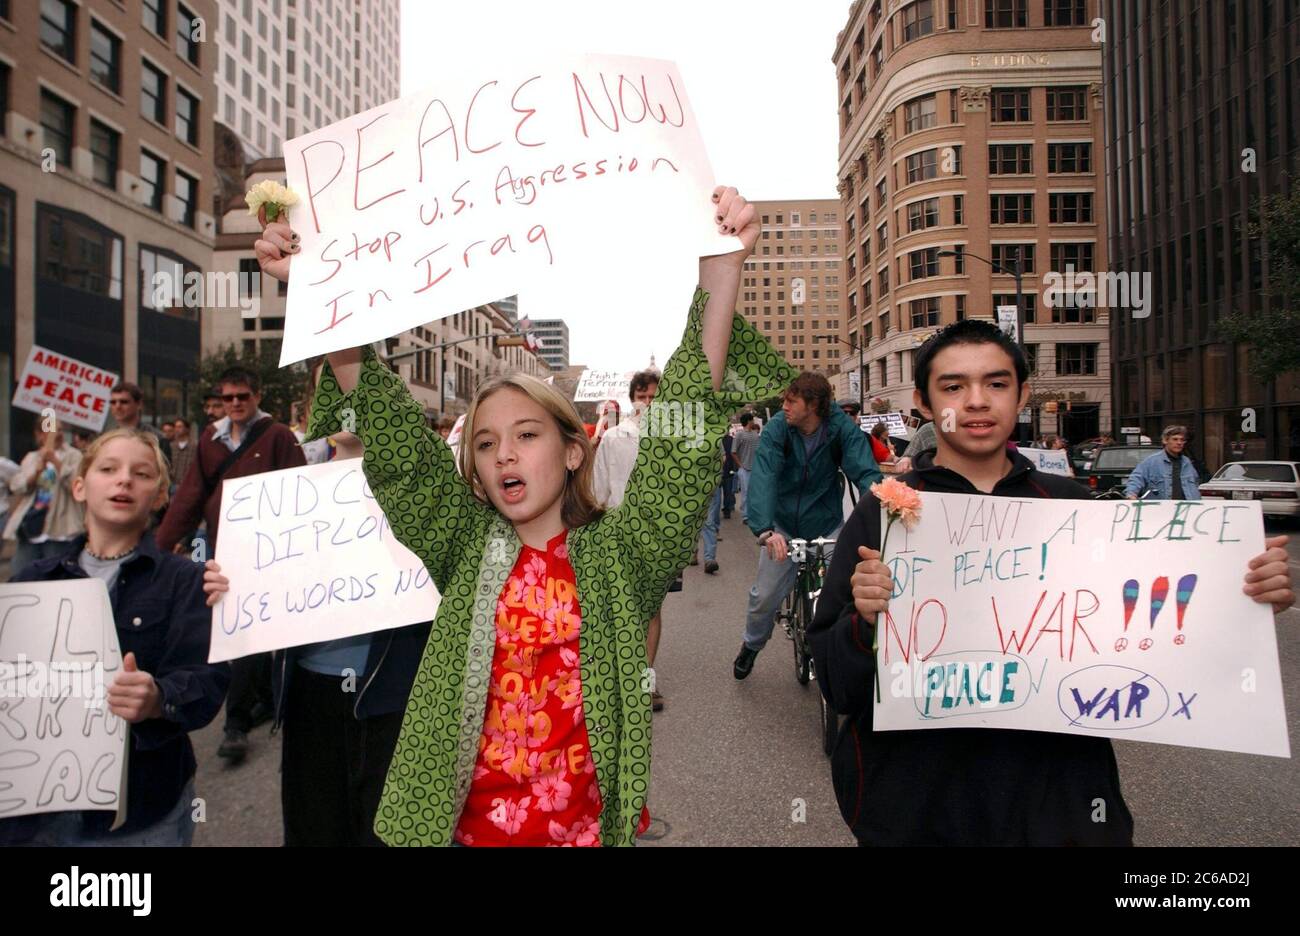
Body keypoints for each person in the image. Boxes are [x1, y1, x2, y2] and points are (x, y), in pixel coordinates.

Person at [254, 185, 781, 845]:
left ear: (570, 450)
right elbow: (393, 436)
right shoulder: (462, 545)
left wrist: (722, 267)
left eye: (526, 435)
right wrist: (316, 286)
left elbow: (682, 435)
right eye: (484, 441)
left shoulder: (624, 555)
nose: (503, 452)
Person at [809, 319, 1295, 846]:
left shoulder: (1073, 505)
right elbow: (837, 683)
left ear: (1021, 395)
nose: (976, 401)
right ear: (924, 404)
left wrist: (1240, 597)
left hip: (1059, 800)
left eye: (996, 384)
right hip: (919, 804)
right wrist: (865, 619)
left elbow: (1150, 632)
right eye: (953, 386)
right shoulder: (882, 514)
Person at [1, 429, 230, 846]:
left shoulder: (185, 582)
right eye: (108, 469)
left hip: (139, 812)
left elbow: (207, 685)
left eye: (141, 474)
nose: (124, 480)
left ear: (160, 497)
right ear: (79, 486)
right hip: (30, 814)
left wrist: (158, 698)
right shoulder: (31, 581)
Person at [155, 367, 306, 765]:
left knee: (260, 633)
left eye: (243, 395)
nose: (235, 403)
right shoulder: (211, 439)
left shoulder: (279, 437)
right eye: (228, 397)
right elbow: (191, 494)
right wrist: (160, 545)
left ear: (257, 395)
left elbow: (299, 493)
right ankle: (239, 721)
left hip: (271, 553)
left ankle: (256, 708)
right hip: (225, 551)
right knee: (240, 633)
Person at [733, 373, 881, 679]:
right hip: (782, 525)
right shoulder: (777, 430)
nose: (784, 406)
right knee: (765, 597)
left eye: (791, 401)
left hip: (826, 522)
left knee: (840, 594)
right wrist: (765, 530)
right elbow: (764, 475)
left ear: (813, 405)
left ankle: (837, 653)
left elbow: (864, 470)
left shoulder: (841, 427)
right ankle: (752, 643)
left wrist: (883, 504)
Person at [592, 369, 668, 711]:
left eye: (654, 398)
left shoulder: (670, 438)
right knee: (619, 609)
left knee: (651, 609)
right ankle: (618, 679)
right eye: (642, 397)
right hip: (617, 535)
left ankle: (646, 682)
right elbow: (599, 490)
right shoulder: (613, 438)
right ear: (632, 399)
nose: (648, 404)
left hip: (656, 537)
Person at [4, 423, 84, 576]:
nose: (57, 433)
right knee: (22, 573)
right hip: (32, 526)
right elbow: (17, 487)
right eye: (51, 430)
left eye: (60, 429)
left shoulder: (74, 456)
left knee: (56, 575)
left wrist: (55, 461)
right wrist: (36, 473)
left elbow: (77, 486)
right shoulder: (31, 457)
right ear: (40, 434)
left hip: (60, 529)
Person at [1126, 425, 1201, 501]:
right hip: (1161, 509)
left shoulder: (1187, 462)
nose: (1179, 443)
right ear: (1165, 441)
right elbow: (1136, 479)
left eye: (1182, 440)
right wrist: (1132, 495)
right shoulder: (1151, 462)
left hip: (1186, 509)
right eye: (1175, 439)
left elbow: (1195, 484)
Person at [109, 382, 171, 462]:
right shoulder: (106, 438)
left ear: (139, 404)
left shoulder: (157, 439)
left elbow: (164, 472)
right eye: (113, 402)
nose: (117, 406)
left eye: (124, 402)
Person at [732, 412, 761, 522]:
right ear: (749, 421)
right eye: (752, 420)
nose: (753, 421)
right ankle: (745, 515)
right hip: (745, 469)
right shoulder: (739, 435)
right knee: (745, 492)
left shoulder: (755, 435)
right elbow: (733, 451)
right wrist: (741, 466)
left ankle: (753, 514)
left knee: (755, 492)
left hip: (756, 468)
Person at [169, 418, 197, 497]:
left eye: (180, 427)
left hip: (188, 484)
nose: (177, 429)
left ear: (187, 429)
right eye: (176, 427)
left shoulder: (195, 446)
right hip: (173, 484)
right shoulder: (171, 446)